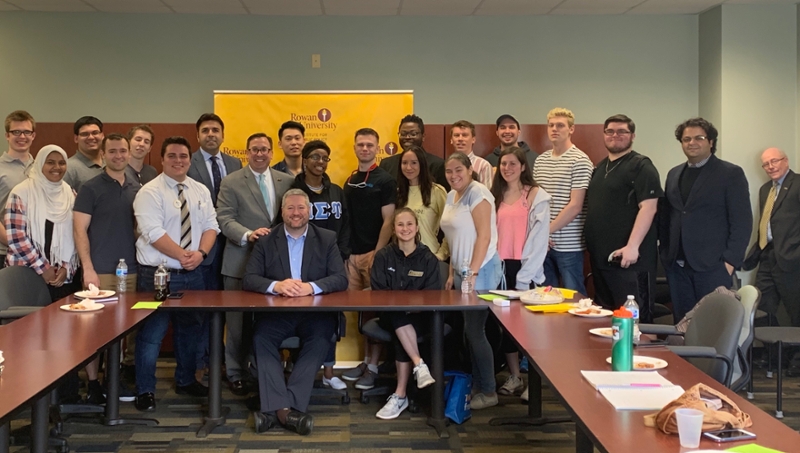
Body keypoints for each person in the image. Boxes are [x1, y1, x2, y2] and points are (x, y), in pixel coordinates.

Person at [243, 189, 348, 436]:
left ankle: (275, 409)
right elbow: (249, 278)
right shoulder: (267, 240)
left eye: (301, 208)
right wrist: (276, 285)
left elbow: (340, 278)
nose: (296, 213)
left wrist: (310, 287)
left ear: (309, 211)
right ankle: (287, 412)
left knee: (321, 338)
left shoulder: (327, 238)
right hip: (278, 312)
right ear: (282, 212)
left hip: (315, 314)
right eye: (290, 208)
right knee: (261, 338)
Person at [132, 136, 219, 412]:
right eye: (172, 156)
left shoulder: (200, 190)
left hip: (193, 273)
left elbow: (211, 226)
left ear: (190, 160)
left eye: (183, 156)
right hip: (158, 274)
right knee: (152, 333)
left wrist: (201, 254)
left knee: (190, 330)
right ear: (161, 159)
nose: (178, 161)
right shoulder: (149, 192)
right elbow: (154, 233)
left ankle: (185, 380)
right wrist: (184, 255)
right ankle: (145, 389)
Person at [216, 132, 292, 395]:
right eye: (254, 150)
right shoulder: (232, 181)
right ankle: (235, 372)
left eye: (264, 149)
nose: (260, 154)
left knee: (267, 323)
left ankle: (264, 371)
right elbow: (224, 218)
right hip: (239, 261)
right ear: (246, 153)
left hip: (275, 268)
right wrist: (249, 234)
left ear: (272, 152)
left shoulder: (288, 181)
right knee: (236, 325)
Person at [658, 117, 751, 323]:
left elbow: (742, 222)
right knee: (681, 325)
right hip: (677, 266)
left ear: (711, 142)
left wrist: (729, 262)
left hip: (713, 267)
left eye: (699, 137)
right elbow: (667, 217)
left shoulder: (730, 173)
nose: (692, 142)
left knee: (711, 327)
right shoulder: (674, 174)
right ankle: (683, 358)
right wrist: (665, 253)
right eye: (686, 139)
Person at [73, 133, 139, 403]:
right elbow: (79, 230)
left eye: (122, 151)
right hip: (99, 271)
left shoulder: (137, 187)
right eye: (112, 151)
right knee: (93, 333)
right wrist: (87, 268)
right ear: (104, 154)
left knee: (123, 331)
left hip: (132, 271)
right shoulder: (91, 188)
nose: (119, 156)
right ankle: (92, 384)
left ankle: (113, 380)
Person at [440, 152, 503, 410]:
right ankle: (478, 384)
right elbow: (455, 238)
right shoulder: (450, 195)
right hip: (462, 272)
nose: (454, 175)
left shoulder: (479, 193)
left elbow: (484, 237)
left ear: (469, 170)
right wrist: (452, 272)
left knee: (476, 332)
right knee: (469, 332)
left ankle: (489, 391)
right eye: (449, 171)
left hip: (482, 270)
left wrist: (472, 274)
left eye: (459, 170)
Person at [584, 115, 662, 322]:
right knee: (607, 319)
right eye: (610, 131)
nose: (615, 135)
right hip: (602, 260)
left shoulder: (642, 167)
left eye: (622, 131)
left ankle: (639, 355)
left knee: (637, 322)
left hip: (630, 260)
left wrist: (632, 246)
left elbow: (649, 208)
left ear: (633, 136)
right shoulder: (600, 168)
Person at [490, 146, 550, 400]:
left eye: (513, 164)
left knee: (529, 330)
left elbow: (539, 240)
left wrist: (525, 278)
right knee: (505, 327)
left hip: (526, 271)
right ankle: (514, 377)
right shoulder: (494, 195)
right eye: (504, 164)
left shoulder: (535, 195)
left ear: (523, 167)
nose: (508, 168)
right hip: (500, 269)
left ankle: (533, 383)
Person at [290, 140, 351, 390]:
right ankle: (297, 369)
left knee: (330, 317)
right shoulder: (293, 190)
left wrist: (343, 254)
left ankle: (328, 372)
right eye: (315, 157)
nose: (320, 162)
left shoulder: (336, 190)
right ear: (304, 160)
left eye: (325, 158)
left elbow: (346, 224)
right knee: (299, 316)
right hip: (300, 263)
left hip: (332, 262)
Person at [340, 128, 396, 389]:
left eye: (369, 145)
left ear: (377, 148)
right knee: (360, 313)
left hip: (374, 255)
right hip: (351, 255)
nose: (364, 148)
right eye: (360, 144)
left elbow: (389, 220)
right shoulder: (350, 180)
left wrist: (379, 252)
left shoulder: (385, 180)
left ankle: (373, 366)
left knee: (374, 313)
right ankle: (364, 360)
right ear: (354, 147)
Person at [370, 208, 439, 420]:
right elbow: (379, 293)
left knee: (402, 329)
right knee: (398, 316)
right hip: (389, 316)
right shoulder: (383, 256)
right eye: (400, 224)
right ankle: (419, 365)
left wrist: (407, 305)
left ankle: (400, 395)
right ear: (393, 229)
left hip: (420, 317)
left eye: (410, 224)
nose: (405, 229)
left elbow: (432, 296)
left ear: (417, 228)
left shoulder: (428, 258)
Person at [533, 108, 592, 295]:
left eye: (560, 125)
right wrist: (540, 234)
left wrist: (545, 231)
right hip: (543, 244)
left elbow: (575, 206)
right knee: (545, 297)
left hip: (569, 245)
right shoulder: (540, 160)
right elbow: (534, 202)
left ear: (571, 129)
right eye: (551, 125)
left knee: (573, 296)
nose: (554, 129)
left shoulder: (580, 160)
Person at [396, 145, 449, 261]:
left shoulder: (436, 191)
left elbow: (451, 226)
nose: (408, 167)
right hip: (402, 259)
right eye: (404, 163)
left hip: (429, 257)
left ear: (422, 164)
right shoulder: (398, 193)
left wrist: (442, 254)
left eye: (414, 163)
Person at [0, 110, 36, 267]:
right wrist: (16, 244)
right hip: (5, 252)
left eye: (27, 132)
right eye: (16, 132)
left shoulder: (42, 169)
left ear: (33, 135)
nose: (22, 137)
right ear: (7, 135)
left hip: (38, 254)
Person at [379, 114, 449, 190]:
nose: (407, 137)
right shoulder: (386, 164)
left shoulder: (437, 165)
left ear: (423, 137)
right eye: (403, 134)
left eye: (413, 134)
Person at [64, 116, 105, 193]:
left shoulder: (110, 163)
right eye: (84, 134)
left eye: (95, 133)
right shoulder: (69, 168)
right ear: (76, 138)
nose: (91, 137)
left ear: (102, 135)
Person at [450, 120, 493, 189]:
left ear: (473, 139)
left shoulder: (483, 166)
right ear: (451, 140)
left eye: (464, 135)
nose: (460, 139)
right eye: (456, 135)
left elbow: (487, 196)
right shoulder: (447, 166)